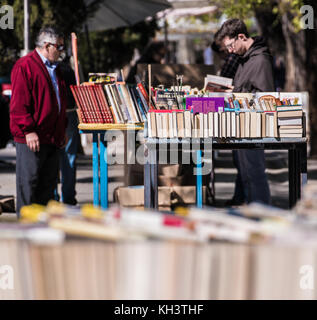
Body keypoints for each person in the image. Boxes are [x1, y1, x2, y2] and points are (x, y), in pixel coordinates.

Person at [215, 18, 274, 205]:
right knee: (245, 172)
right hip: (241, 126)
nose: (230, 51)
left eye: (231, 45)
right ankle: (251, 208)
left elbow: (265, 97)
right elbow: (243, 88)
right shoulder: (244, 59)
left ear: (241, 37)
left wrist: (238, 95)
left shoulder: (260, 60)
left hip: (253, 127)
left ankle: (262, 212)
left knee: (255, 173)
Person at [10, 26, 68, 216]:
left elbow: (59, 101)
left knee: (48, 189)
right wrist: (28, 130)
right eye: (58, 47)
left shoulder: (55, 69)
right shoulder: (25, 66)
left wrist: (62, 129)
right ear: (46, 45)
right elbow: (18, 105)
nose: (61, 52)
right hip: (32, 138)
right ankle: (23, 234)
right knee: (28, 187)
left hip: (51, 137)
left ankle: (42, 232)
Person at [54, 58, 79, 205]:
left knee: (52, 156)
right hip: (68, 113)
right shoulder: (68, 69)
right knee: (69, 157)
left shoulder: (47, 69)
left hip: (53, 114)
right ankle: (68, 197)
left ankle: (53, 197)